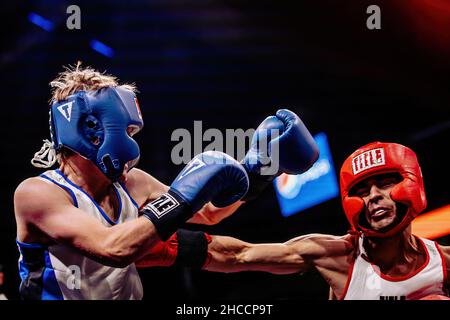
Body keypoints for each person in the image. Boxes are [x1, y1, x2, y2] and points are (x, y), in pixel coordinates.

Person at [14, 63, 319, 300]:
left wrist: (259, 169)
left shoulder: (132, 184)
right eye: (128, 132)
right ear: (92, 131)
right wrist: (181, 195)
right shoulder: (38, 194)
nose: (133, 143)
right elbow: (112, 248)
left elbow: (210, 212)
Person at [140, 142, 450, 300]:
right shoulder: (338, 256)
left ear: (412, 185)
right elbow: (239, 254)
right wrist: (165, 246)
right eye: (362, 190)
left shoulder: (444, 262)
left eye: (384, 184)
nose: (374, 197)